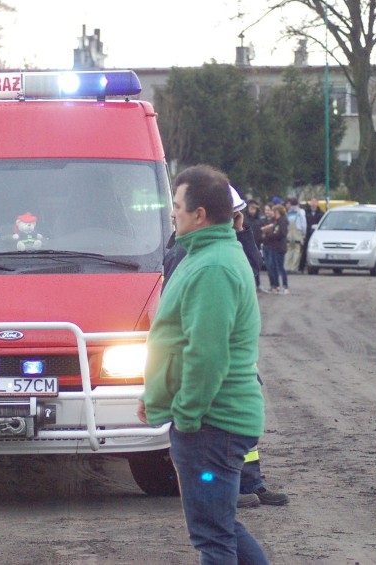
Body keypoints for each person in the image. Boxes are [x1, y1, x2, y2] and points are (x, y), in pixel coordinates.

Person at [138, 164, 269, 564]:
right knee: (220, 526)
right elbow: (178, 342)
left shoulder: (213, 266)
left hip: (212, 427)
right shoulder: (204, 255)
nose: (171, 211)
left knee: (213, 538)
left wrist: (188, 417)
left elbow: (206, 355)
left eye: (177, 205)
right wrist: (157, 396)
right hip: (210, 426)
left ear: (200, 214)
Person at [162, 186, 289, 510]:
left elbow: (250, 267)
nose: (238, 221)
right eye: (234, 217)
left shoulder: (223, 247)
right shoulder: (190, 252)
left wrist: (243, 233)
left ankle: (248, 482)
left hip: (231, 355)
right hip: (213, 355)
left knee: (238, 423)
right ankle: (225, 487)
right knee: (216, 426)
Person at [261, 204, 289, 294]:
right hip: (275, 247)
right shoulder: (276, 221)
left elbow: (281, 233)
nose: (272, 212)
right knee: (274, 266)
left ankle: (285, 286)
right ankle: (276, 286)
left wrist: (269, 235)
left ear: (277, 212)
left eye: (273, 211)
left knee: (281, 267)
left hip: (280, 247)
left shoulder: (282, 221)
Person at [300, 197, 324, 273]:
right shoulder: (305, 212)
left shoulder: (321, 213)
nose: (313, 203)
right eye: (312, 201)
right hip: (307, 233)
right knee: (304, 250)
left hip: (316, 235)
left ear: (317, 203)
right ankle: (301, 267)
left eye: (315, 202)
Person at [284, 197, 307, 274]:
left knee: (289, 250)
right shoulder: (301, 212)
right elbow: (303, 224)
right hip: (298, 233)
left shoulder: (288, 212)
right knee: (297, 250)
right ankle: (294, 268)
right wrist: (304, 233)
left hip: (289, 233)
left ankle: (287, 267)